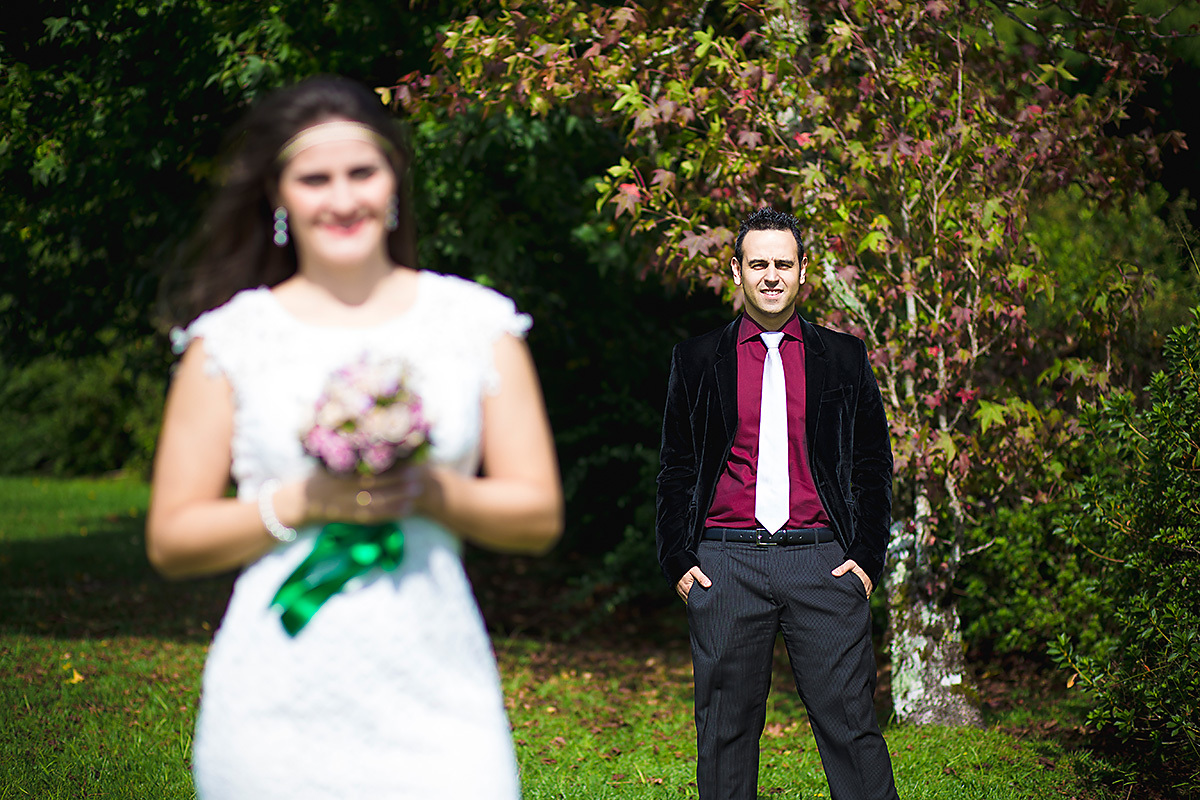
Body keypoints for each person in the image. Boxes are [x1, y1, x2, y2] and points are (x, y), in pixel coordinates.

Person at [146, 75, 563, 799]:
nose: (342, 200)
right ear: (280, 196)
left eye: (361, 173)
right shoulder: (230, 341)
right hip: (276, 695)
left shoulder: (478, 326)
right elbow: (173, 538)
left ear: (392, 179)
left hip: (439, 691)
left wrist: (432, 492)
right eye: (315, 179)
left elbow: (538, 517)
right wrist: (303, 503)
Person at [655, 207, 899, 800]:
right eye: (758, 263)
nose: (771, 275)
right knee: (725, 734)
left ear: (802, 272)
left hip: (822, 563)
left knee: (851, 727)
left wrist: (866, 558)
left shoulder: (844, 358)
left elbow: (872, 466)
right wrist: (678, 561)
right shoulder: (695, 359)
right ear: (736, 271)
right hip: (725, 565)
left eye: (782, 264)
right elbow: (676, 469)